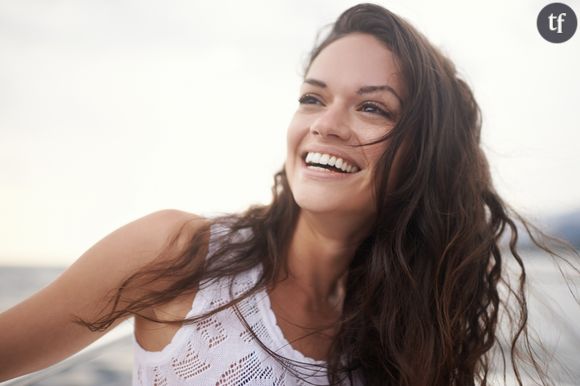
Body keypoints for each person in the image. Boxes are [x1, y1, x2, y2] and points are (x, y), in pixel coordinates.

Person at [0, 3, 575, 385]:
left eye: (372, 107)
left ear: (424, 156)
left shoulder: (406, 334)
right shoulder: (177, 253)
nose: (326, 123)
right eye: (313, 97)